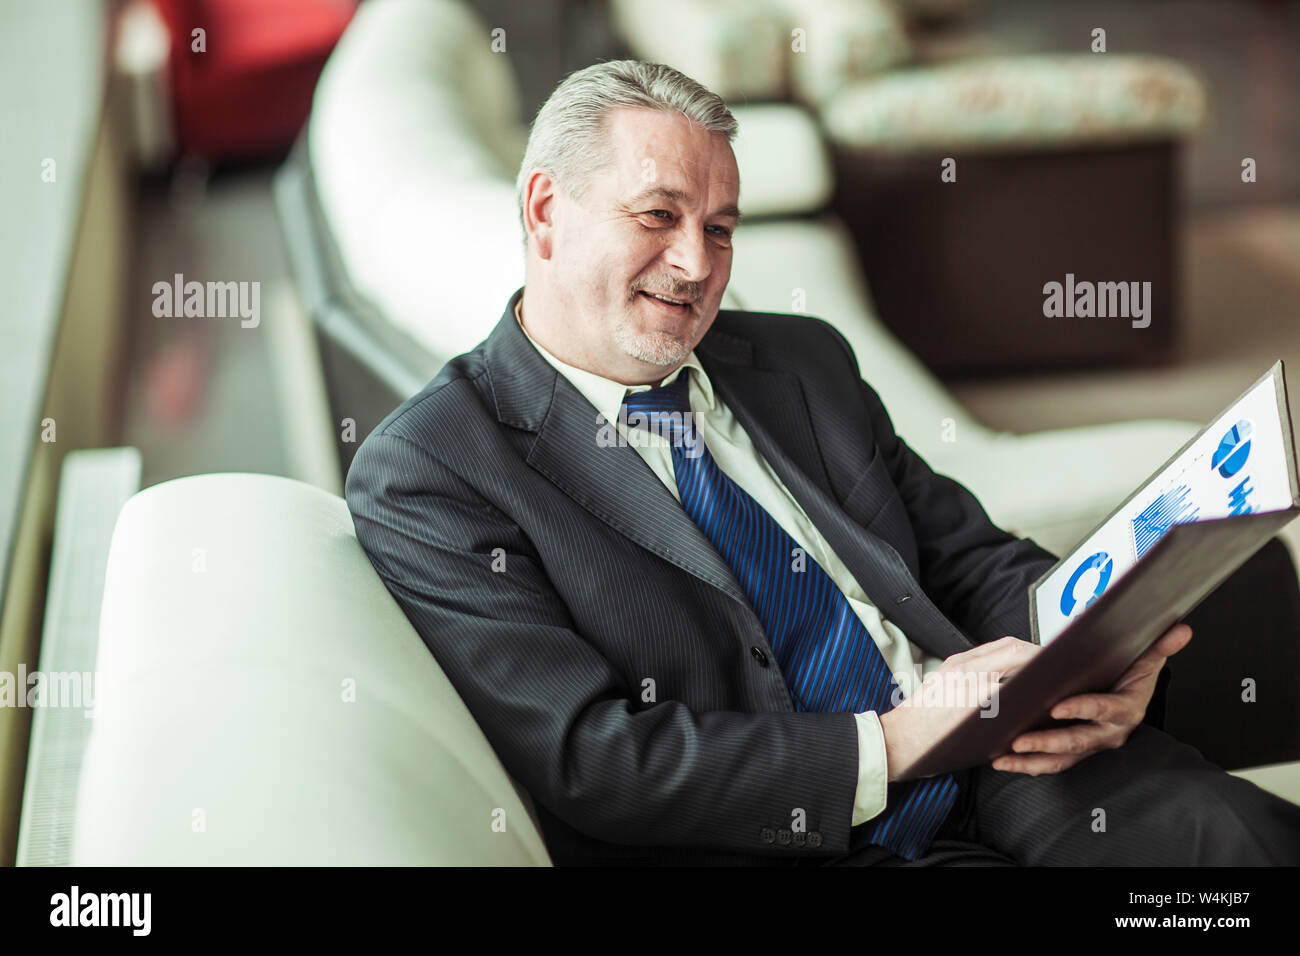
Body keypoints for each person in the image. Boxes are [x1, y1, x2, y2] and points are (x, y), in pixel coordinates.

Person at [345, 59, 1300, 866]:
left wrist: (1087, 657)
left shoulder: (799, 360)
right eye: (657, 215)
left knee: (1236, 848)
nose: (695, 264)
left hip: (1005, 762)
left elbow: (966, 554)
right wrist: (892, 743)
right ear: (546, 210)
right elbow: (597, 760)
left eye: (719, 227)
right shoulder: (433, 469)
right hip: (789, 833)